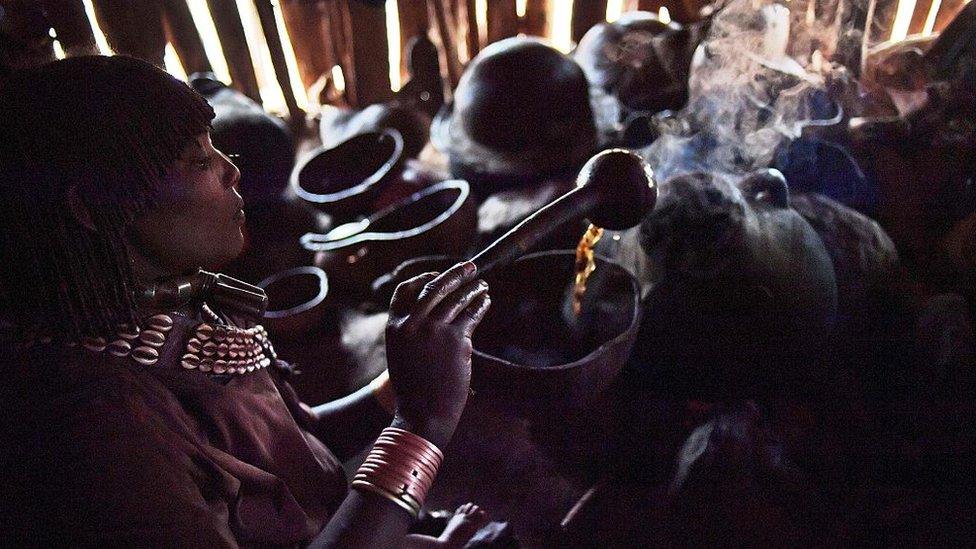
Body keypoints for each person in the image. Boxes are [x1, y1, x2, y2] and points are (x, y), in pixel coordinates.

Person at [0, 55, 492, 547]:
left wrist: (405, 383)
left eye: (216, 150)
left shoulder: (175, 307)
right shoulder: (97, 433)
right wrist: (420, 426)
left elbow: (301, 446)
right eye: (198, 161)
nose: (231, 170)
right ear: (95, 207)